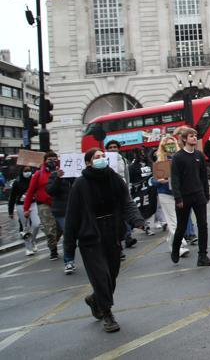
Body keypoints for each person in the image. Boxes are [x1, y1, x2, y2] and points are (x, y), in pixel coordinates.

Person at [63, 148, 146, 332]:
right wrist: (68, 249)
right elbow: (72, 217)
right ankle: (107, 314)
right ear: (88, 163)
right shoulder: (80, 185)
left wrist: (138, 220)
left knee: (112, 275)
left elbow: (127, 202)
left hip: (112, 232)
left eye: (103, 156)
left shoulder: (114, 179)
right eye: (96, 157)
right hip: (90, 236)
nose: (101, 159)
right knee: (101, 276)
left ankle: (95, 299)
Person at [170, 127, 210, 265]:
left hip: (198, 195)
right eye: (191, 136)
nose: (194, 138)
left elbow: (203, 177)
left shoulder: (199, 155)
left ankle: (202, 256)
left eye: (195, 135)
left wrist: (206, 194)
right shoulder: (178, 157)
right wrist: (178, 198)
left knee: (203, 225)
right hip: (184, 197)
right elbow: (175, 179)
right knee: (181, 227)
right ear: (184, 139)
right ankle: (175, 249)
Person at [153, 136, 190, 259]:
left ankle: (172, 241)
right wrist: (161, 181)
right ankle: (179, 246)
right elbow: (154, 181)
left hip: (180, 193)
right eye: (167, 144)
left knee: (179, 221)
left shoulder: (180, 158)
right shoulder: (160, 162)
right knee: (173, 222)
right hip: (165, 194)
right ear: (163, 147)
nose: (170, 147)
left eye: (172, 144)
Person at [23, 152, 63, 260]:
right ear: (45, 161)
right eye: (49, 160)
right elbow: (30, 191)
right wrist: (26, 208)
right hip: (44, 204)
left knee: (61, 228)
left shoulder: (61, 172)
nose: (52, 162)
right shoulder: (38, 174)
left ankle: (53, 242)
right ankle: (53, 250)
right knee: (50, 229)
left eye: (54, 159)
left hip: (59, 203)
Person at [105, 140, 138, 250]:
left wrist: (128, 188)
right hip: (109, 192)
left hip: (122, 190)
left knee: (125, 214)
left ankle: (128, 237)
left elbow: (126, 175)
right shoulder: (105, 160)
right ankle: (118, 240)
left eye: (115, 147)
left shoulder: (123, 160)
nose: (113, 149)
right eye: (110, 147)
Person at [46, 166, 76, 274]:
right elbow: (50, 191)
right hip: (61, 211)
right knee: (68, 235)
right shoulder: (54, 176)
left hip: (76, 209)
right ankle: (69, 261)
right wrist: (58, 178)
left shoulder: (75, 174)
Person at [8, 166, 41, 256]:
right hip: (21, 206)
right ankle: (28, 247)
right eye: (25, 171)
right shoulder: (17, 182)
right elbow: (12, 197)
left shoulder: (34, 180)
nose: (28, 172)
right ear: (22, 172)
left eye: (29, 170)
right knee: (25, 227)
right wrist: (10, 211)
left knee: (36, 224)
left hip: (33, 204)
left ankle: (33, 240)